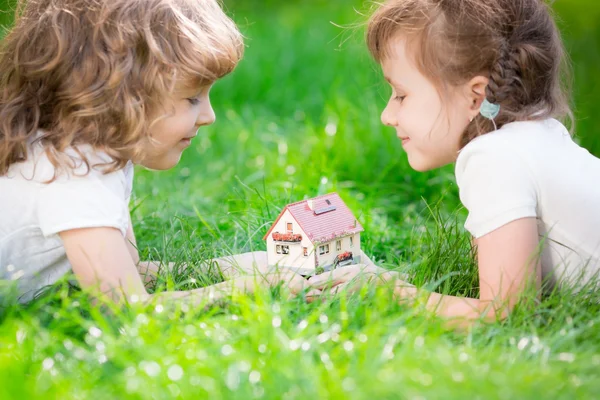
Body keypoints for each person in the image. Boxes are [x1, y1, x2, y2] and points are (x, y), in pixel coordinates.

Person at [309, 0, 600, 325]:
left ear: (476, 97)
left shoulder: (493, 158)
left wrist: (392, 292)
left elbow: (511, 311)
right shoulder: (538, 136)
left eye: (401, 95)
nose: (387, 115)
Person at [0, 0, 311, 305]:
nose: (209, 115)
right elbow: (122, 307)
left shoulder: (95, 153)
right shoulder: (73, 176)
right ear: (122, 97)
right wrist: (244, 288)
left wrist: (240, 266)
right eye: (192, 98)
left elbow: (129, 272)